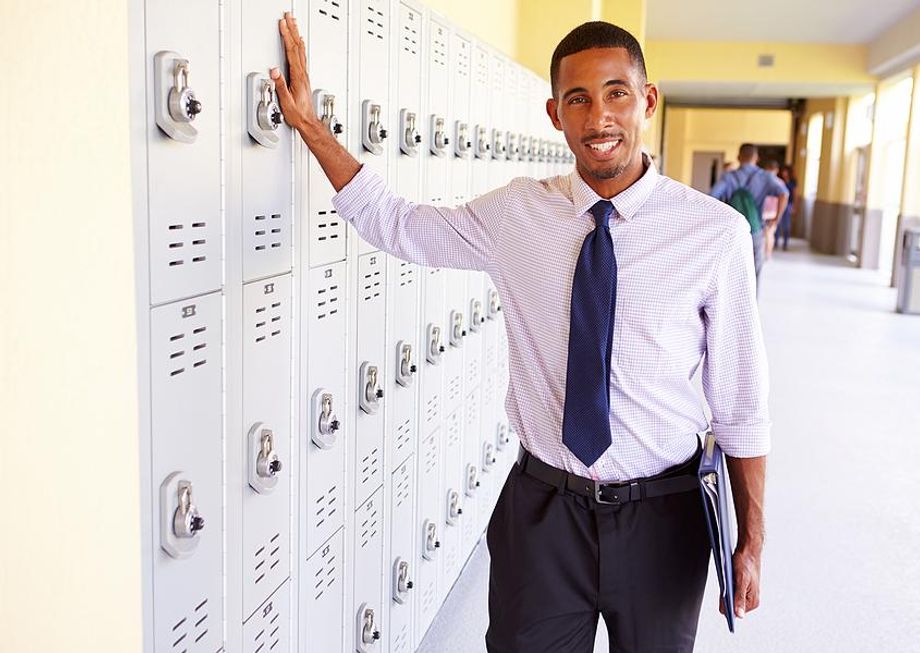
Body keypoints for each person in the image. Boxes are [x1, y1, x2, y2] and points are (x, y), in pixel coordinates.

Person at [272, 14, 769, 652]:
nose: (600, 118)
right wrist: (313, 127)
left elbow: (741, 402)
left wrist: (752, 539)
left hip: (664, 517)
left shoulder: (714, 233)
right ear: (555, 114)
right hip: (543, 512)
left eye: (617, 93)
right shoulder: (517, 214)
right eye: (578, 99)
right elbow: (401, 227)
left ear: (647, 101)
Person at [710, 144, 788, 290]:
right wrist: (776, 219)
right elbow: (784, 193)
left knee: (729, 272)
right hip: (755, 230)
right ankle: (751, 308)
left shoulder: (729, 177)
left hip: (732, 233)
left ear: (739, 157)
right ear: (756, 158)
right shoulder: (766, 177)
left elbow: (712, 196)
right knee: (755, 272)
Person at [776, 164, 798, 251]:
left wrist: (795, 207)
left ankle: (785, 243)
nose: (784, 173)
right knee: (777, 222)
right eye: (783, 171)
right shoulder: (779, 180)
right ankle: (775, 242)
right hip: (779, 203)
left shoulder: (793, 182)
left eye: (786, 171)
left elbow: (795, 195)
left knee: (786, 224)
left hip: (789, 204)